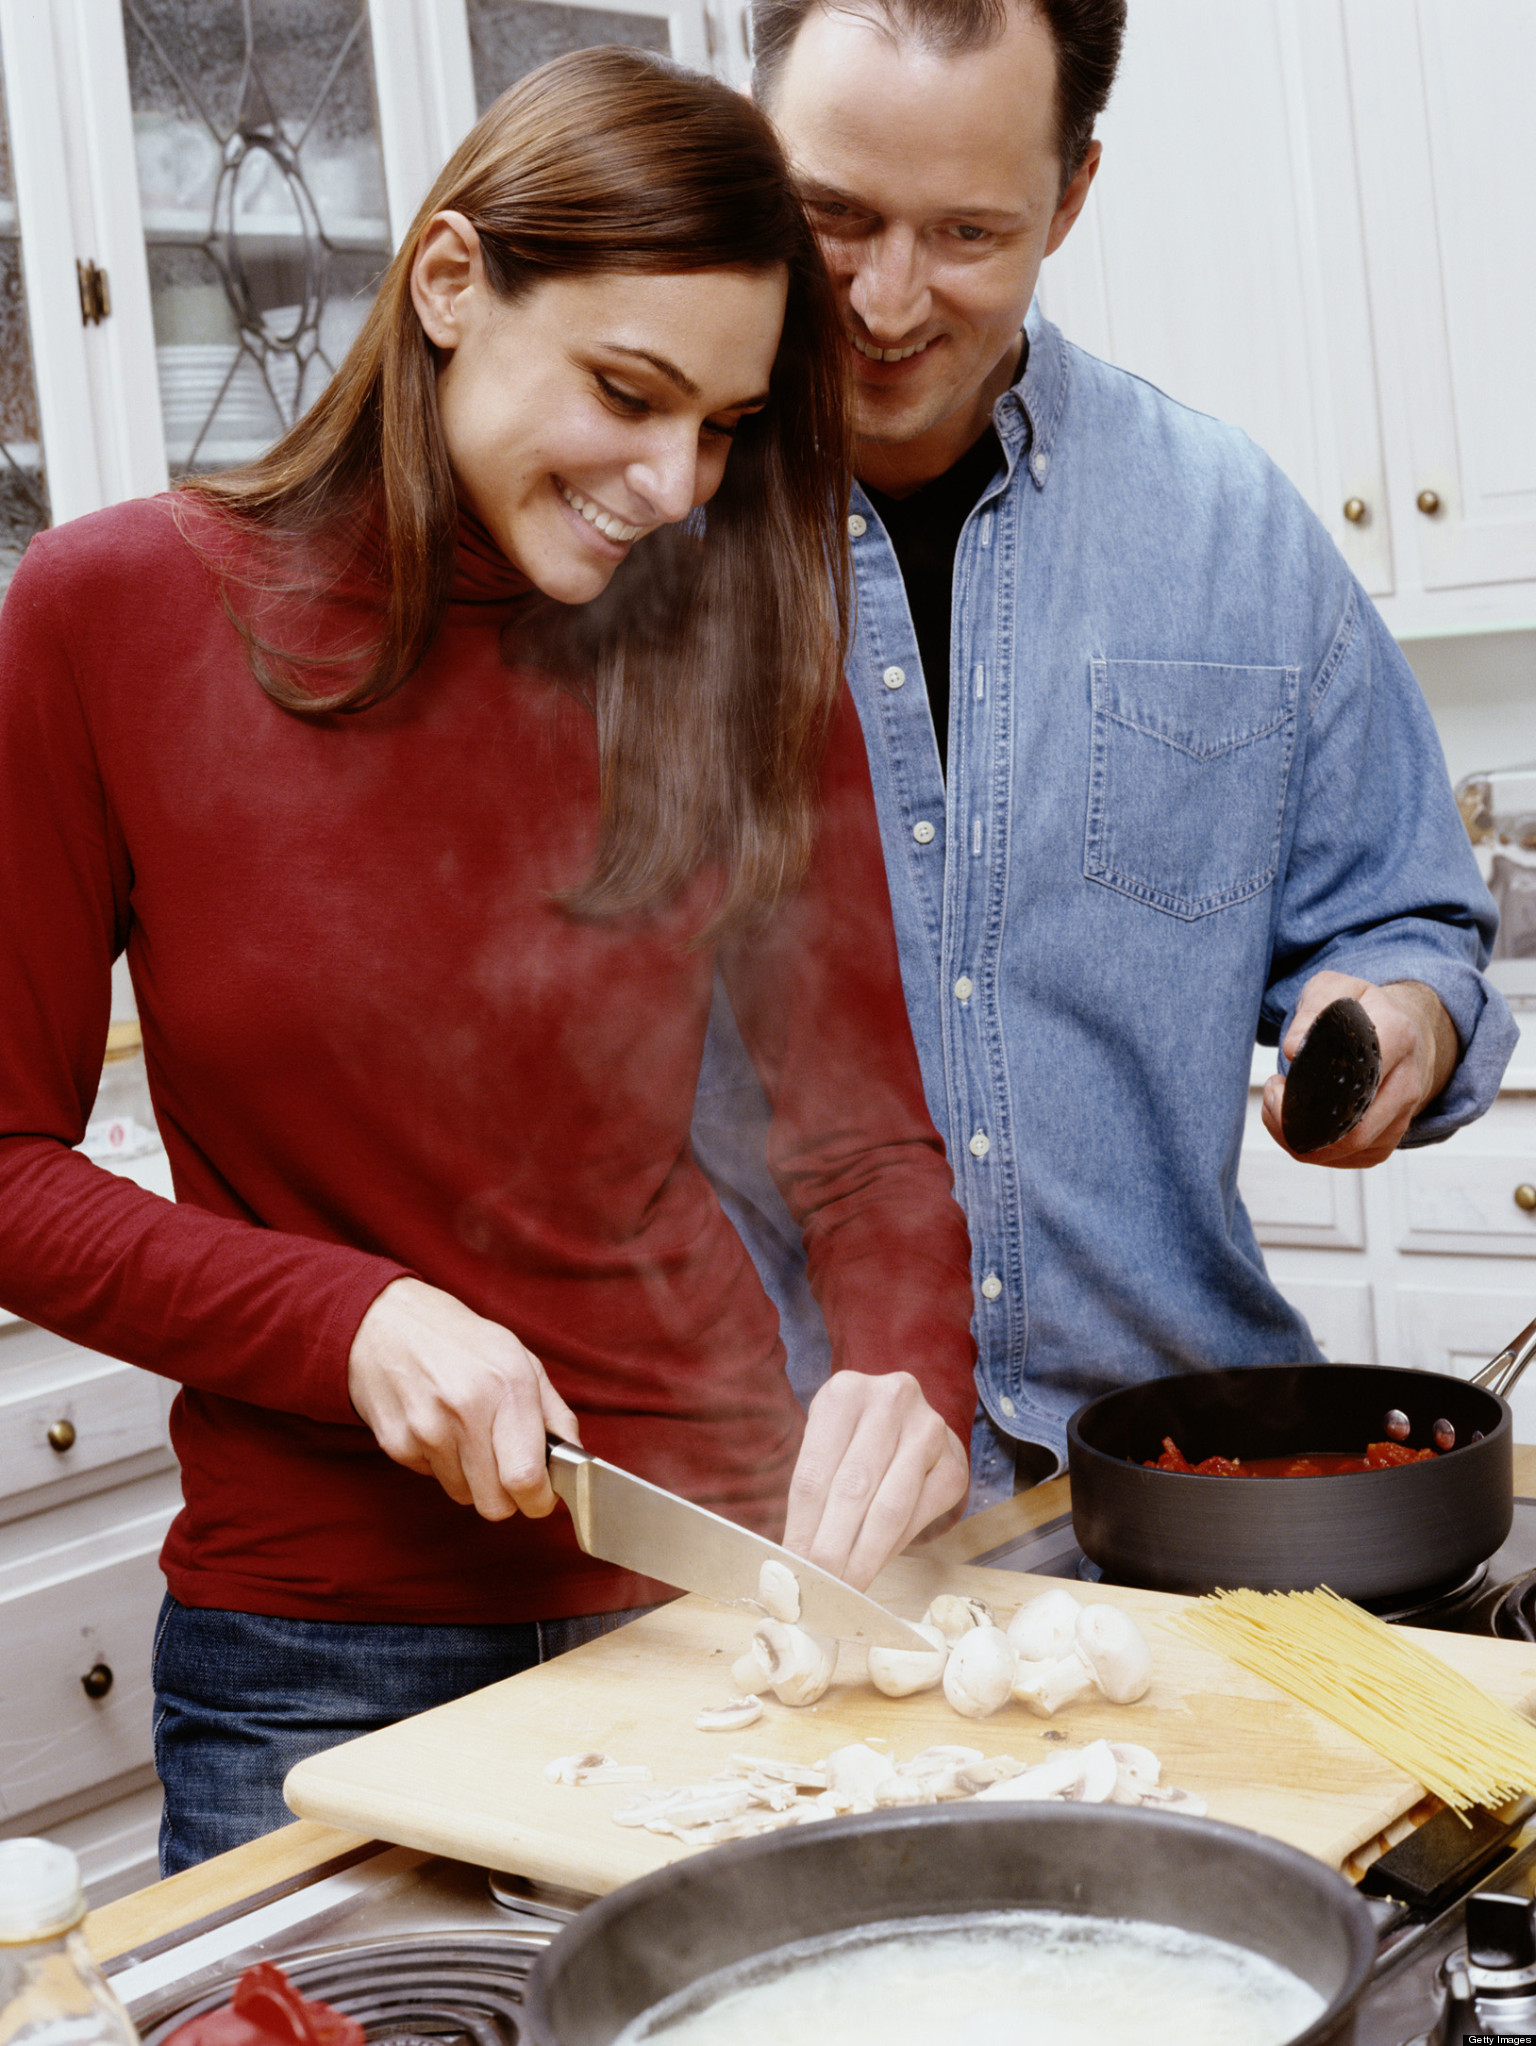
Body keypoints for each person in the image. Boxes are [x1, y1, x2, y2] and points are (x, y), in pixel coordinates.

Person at [0, 48, 977, 1872]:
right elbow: (2, 1165)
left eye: (723, 424)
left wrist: (909, 1370)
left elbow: (860, 1148)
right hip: (311, 1655)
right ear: (449, 281)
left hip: (709, 1604)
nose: (678, 484)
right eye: (628, 390)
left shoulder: (740, 649)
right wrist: (347, 1312)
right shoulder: (107, 619)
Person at [691, 0, 1516, 1506]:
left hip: (1184, 1488)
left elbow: (1411, 921)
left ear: (1072, 194)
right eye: (836, 217)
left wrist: (1391, 1022)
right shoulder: (632, 530)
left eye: (965, 234)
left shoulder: (1230, 528)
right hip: (777, 1519)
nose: (882, 300)